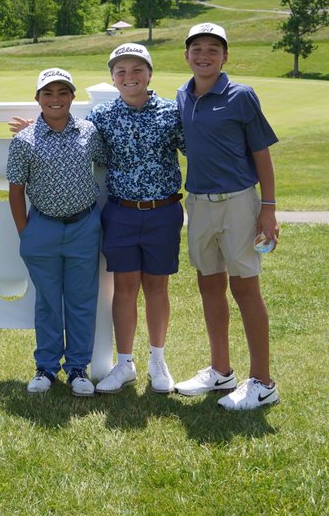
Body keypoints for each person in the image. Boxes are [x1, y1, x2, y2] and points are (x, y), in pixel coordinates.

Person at [173, 23, 281, 410]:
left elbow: (261, 154)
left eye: (213, 49)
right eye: (197, 48)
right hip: (199, 203)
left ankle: (263, 382)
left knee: (245, 289)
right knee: (209, 284)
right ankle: (221, 371)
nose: (204, 55)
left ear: (225, 57)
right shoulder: (182, 96)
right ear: (186, 55)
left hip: (238, 202)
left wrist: (268, 208)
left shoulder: (241, 96)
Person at [89, 44, 186, 396]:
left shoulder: (172, 112)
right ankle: (125, 363)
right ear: (113, 78)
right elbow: (72, 136)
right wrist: (35, 126)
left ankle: (157, 361)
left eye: (136, 70)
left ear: (149, 74)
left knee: (157, 288)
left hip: (164, 211)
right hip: (121, 213)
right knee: (125, 288)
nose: (129, 77)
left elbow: (198, 145)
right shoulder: (102, 116)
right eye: (121, 72)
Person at [6, 68, 105, 397]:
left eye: (63, 92)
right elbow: (16, 190)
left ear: (72, 97)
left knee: (81, 300)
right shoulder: (24, 141)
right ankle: (46, 367)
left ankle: (78, 367)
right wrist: (26, 233)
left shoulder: (88, 132)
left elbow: (105, 160)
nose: (55, 99)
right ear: (37, 98)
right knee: (48, 302)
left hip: (84, 227)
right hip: (42, 228)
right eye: (47, 93)